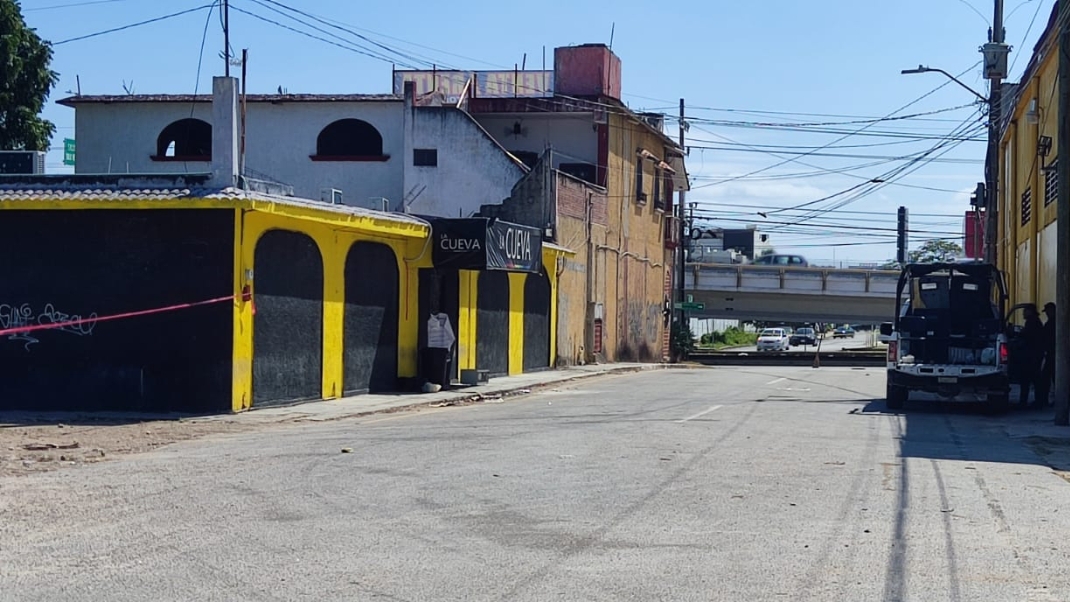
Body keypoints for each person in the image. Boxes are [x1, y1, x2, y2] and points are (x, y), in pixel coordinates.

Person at [1018, 304, 1045, 408]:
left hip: (1032, 355)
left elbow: (1026, 335)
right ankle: (1038, 400)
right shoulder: (1034, 322)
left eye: (1025, 310)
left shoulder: (1032, 322)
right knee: (1034, 379)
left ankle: (1026, 402)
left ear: (1030, 311)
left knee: (1027, 379)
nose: (1023, 313)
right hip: (1034, 354)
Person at [1037, 302, 1056, 407]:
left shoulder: (1052, 323)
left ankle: (1046, 400)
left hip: (1053, 354)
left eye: (1048, 311)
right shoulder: (1051, 322)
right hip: (1051, 354)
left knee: (1049, 377)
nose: (1047, 314)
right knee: (1050, 377)